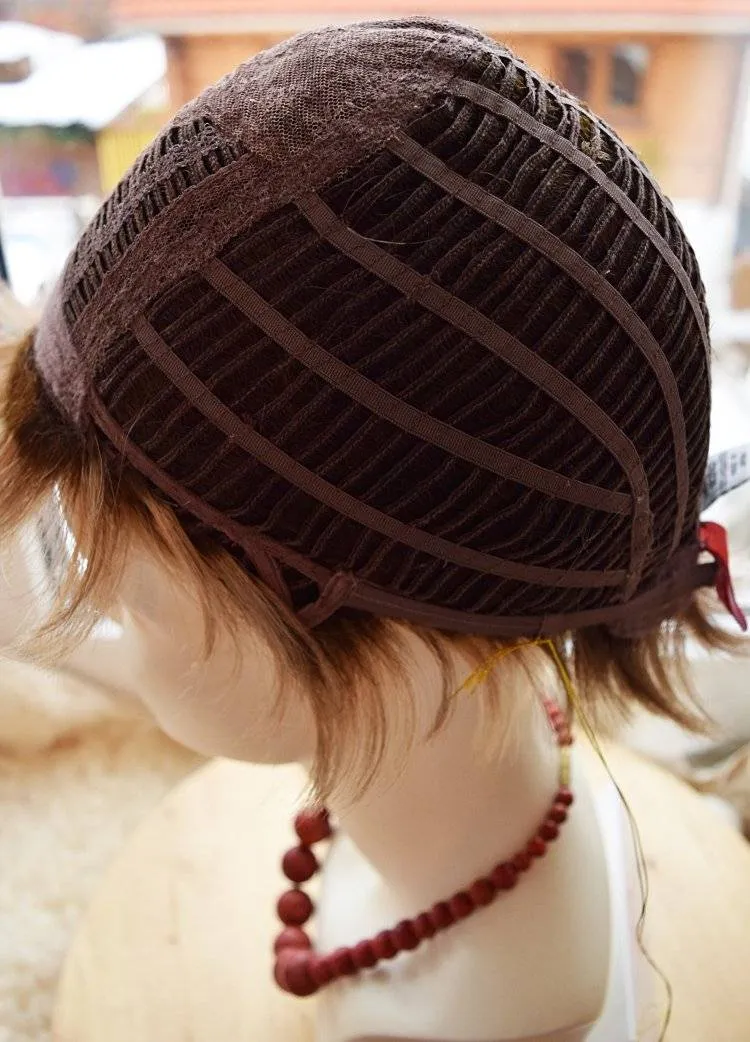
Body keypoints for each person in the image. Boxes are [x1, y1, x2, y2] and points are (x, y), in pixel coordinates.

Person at [0, 18, 744, 1041]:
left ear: (357, 619)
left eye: (136, 597)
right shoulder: (477, 687)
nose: (111, 620)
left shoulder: (493, 1006)